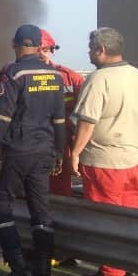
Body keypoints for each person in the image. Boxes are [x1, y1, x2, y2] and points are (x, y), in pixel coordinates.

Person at [0, 24, 66, 276]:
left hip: (17, 150)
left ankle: (19, 272)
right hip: (44, 151)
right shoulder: (55, 75)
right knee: (41, 214)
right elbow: (60, 119)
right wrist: (59, 152)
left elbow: (1, 117)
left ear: (15, 43)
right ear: (39, 46)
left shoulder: (14, 72)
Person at [70, 27, 138, 276]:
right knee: (130, 217)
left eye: (91, 49)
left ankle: (111, 274)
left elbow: (87, 121)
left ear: (101, 50)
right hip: (137, 159)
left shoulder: (98, 79)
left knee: (106, 218)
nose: (89, 53)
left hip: (106, 160)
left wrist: (74, 152)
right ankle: (129, 268)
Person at [38, 29, 86, 197]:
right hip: (31, 144)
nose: (41, 55)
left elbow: (84, 114)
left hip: (60, 144)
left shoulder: (71, 78)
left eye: (44, 50)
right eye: (37, 50)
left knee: (60, 191)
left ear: (52, 51)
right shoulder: (17, 75)